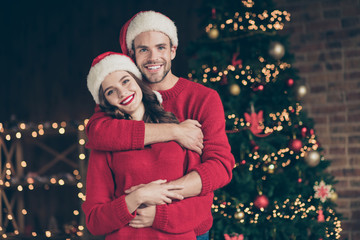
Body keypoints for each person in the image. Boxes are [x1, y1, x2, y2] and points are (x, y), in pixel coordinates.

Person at [85, 11, 235, 240]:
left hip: (187, 226)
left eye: (160, 47)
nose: (153, 57)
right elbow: (98, 133)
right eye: (143, 49)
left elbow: (220, 166)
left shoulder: (203, 98)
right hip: (131, 230)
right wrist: (174, 131)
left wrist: (159, 197)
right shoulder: (122, 98)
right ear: (132, 55)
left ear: (173, 50)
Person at [82, 51, 214, 239]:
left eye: (125, 81)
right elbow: (95, 221)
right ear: (106, 102)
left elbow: (202, 206)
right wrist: (138, 197)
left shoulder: (181, 133)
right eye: (110, 91)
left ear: (137, 80)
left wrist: (159, 216)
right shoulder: (105, 146)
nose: (122, 92)